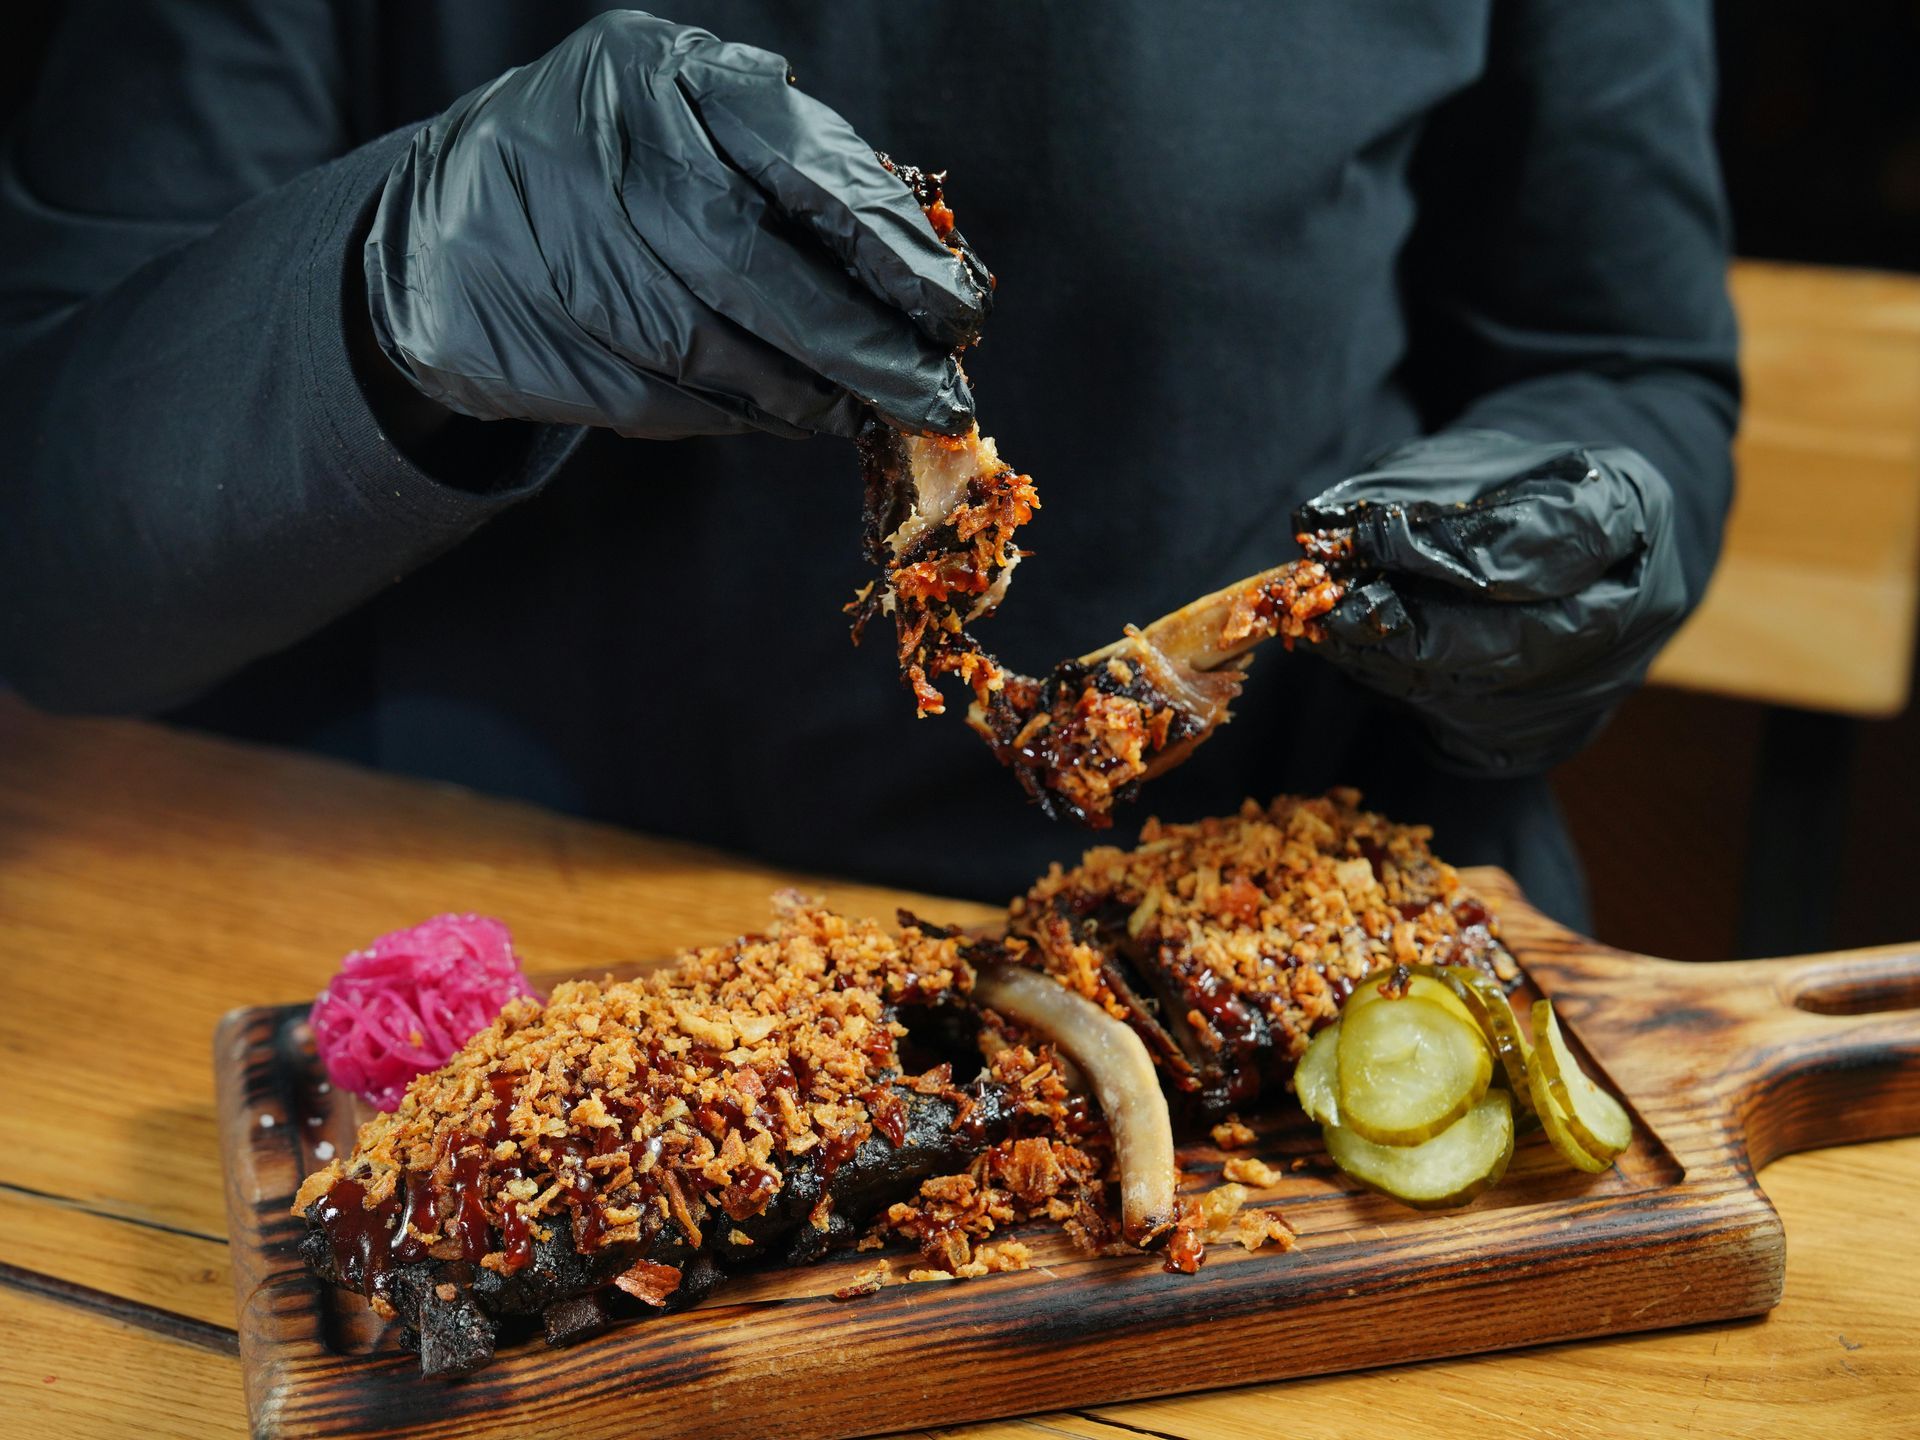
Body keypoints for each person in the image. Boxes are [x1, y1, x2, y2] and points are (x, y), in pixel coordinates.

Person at [0, 4, 1737, 929]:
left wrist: (1591, 526)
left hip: (1250, 944)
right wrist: (405, 280)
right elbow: (46, 558)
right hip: (466, 940)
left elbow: (1629, 365)